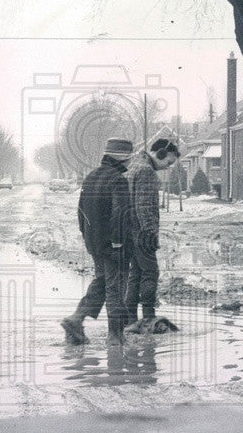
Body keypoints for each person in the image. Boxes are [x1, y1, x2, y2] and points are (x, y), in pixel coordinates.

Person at [61, 138, 135, 344]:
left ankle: (76, 319)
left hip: (95, 244)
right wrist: (119, 242)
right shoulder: (118, 180)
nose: (130, 163)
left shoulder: (91, 177)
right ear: (122, 159)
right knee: (116, 287)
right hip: (114, 246)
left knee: (102, 281)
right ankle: (116, 337)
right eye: (129, 159)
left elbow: (80, 213)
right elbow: (120, 214)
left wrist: (88, 239)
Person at [125, 138, 180, 324]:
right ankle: (149, 317)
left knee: (136, 273)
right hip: (141, 232)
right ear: (161, 154)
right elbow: (144, 206)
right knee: (150, 272)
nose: (168, 167)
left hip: (128, 230)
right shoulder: (146, 171)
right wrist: (149, 233)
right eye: (168, 162)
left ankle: (130, 318)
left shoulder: (134, 165)